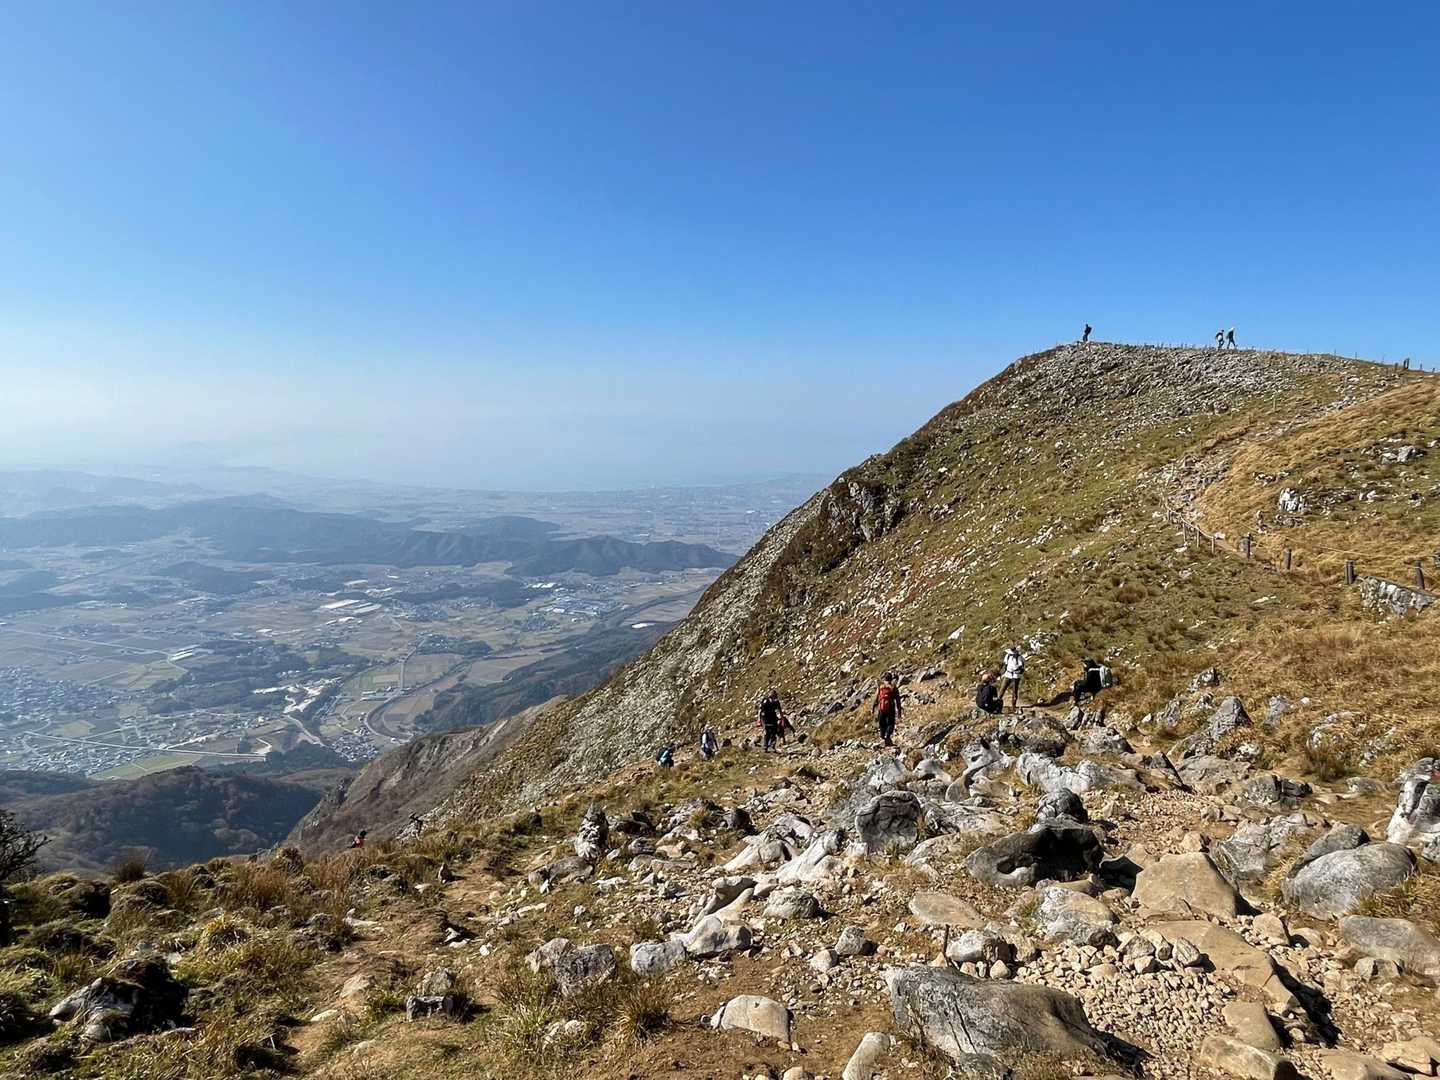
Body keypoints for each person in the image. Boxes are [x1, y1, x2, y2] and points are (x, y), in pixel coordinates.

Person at [873, 672, 902, 747]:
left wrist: (873, 707)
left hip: (881, 709)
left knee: (882, 723)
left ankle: (882, 735)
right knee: (891, 723)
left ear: (884, 678)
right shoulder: (893, 687)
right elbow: (898, 701)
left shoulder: (881, 687)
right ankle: (887, 736)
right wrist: (899, 712)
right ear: (891, 679)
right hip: (891, 709)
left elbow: (876, 698)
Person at [999, 644, 1025, 709]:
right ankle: (998, 702)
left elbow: (1021, 668)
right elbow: (1005, 664)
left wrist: (1017, 671)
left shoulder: (1020, 658)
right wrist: (1004, 672)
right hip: (1008, 674)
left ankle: (1013, 705)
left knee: (1014, 690)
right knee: (1002, 688)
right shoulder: (1008, 656)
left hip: (1016, 675)